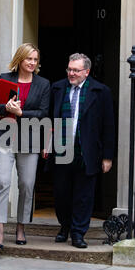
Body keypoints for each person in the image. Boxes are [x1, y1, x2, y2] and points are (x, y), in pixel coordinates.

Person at [0, 43, 50, 249]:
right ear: (20, 59)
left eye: (35, 60)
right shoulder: (5, 78)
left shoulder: (43, 84)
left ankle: (21, 227)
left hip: (30, 140)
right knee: (2, 182)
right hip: (5, 138)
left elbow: (43, 112)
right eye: (28, 59)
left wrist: (22, 114)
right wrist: (5, 107)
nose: (32, 63)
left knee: (27, 185)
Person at [48, 53, 115, 248]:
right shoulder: (57, 88)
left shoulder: (101, 92)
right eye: (69, 69)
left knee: (83, 196)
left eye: (76, 70)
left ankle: (78, 233)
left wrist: (108, 157)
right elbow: (49, 119)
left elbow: (108, 126)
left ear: (87, 71)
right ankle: (65, 227)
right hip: (61, 149)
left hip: (88, 151)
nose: (71, 73)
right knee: (61, 194)